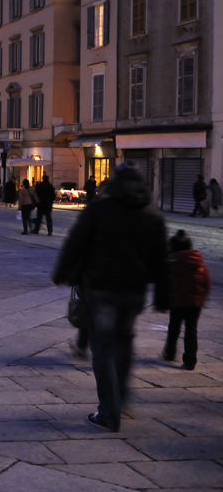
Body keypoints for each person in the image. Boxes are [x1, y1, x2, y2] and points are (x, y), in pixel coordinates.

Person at [53, 161, 170, 432]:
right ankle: (122, 400)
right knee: (124, 342)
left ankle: (108, 411)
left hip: (102, 288)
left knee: (103, 349)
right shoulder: (153, 215)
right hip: (134, 292)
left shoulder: (99, 209)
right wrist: (164, 297)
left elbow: (76, 243)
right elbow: (162, 260)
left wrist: (60, 273)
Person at [162, 230, 210, 371]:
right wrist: (203, 297)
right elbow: (206, 280)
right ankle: (190, 361)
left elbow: (167, 282)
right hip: (195, 302)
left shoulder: (173, 263)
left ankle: (170, 353)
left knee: (174, 327)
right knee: (191, 329)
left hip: (178, 301)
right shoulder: (199, 262)